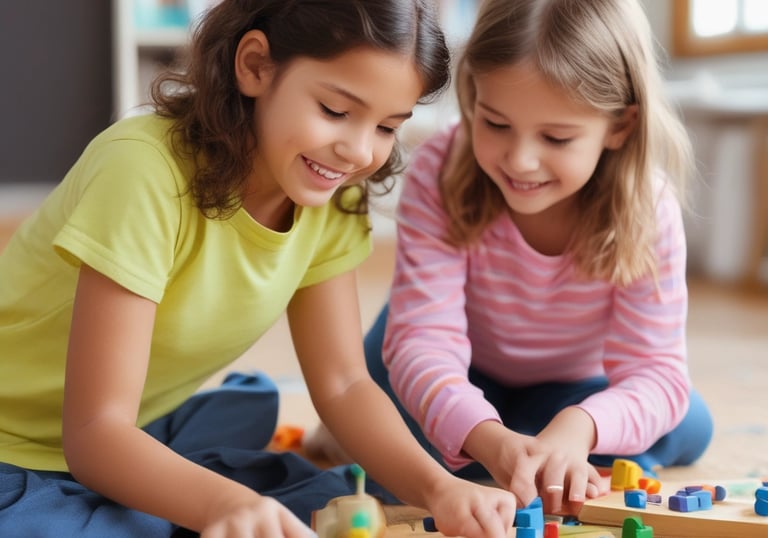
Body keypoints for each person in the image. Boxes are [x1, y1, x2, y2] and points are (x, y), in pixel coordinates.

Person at [0, 1, 519, 537]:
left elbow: (342, 385)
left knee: (326, 496)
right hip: (26, 447)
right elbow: (94, 435)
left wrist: (441, 487)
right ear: (254, 66)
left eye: (388, 126)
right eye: (336, 111)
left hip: (130, 432)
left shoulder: (330, 196)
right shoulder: (141, 172)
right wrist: (223, 505)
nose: (358, 151)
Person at [305, 0, 714, 518]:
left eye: (556, 137)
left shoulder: (647, 206)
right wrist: (485, 435)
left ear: (620, 127)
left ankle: (533, 437)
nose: (519, 160)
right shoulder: (439, 168)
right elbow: (422, 341)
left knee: (689, 422)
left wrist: (577, 427)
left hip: (571, 387)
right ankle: (504, 438)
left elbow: (655, 371)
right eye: (495, 124)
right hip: (447, 361)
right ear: (473, 96)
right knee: (400, 438)